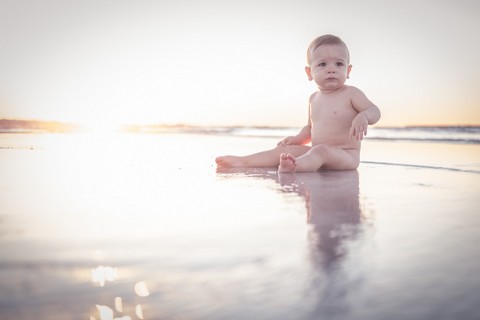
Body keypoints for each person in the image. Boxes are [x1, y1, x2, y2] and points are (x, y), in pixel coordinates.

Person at [215, 34, 381, 172]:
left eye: (339, 63)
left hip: (346, 156)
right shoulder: (313, 98)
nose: (331, 69)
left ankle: (296, 166)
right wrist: (297, 139)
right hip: (317, 153)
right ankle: (244, 161)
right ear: (309, 72)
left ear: (348, 70)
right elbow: (311, 128)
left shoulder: (351, 93)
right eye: (322, 64)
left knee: (319, 151)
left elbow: (375, 111)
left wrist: (364, 116)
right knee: (285, 150)